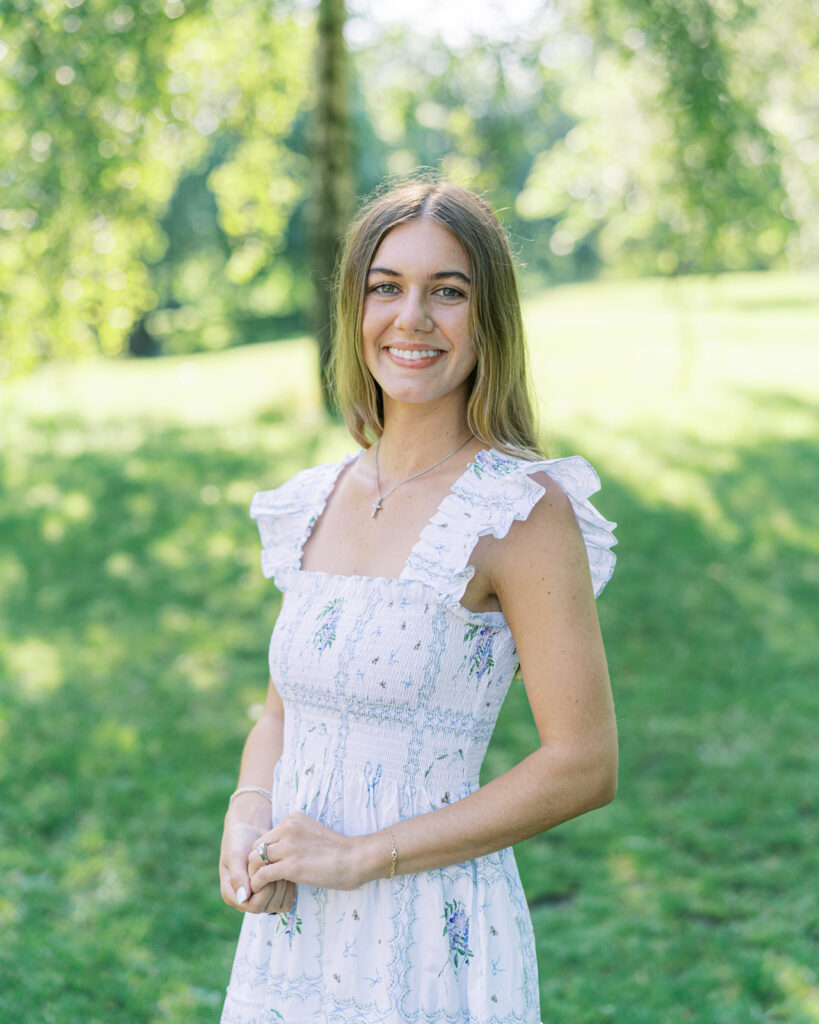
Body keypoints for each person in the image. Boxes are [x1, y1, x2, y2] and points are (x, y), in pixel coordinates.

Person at [218, 177, 618, 1023]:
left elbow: (582, 764)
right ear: (355, 310)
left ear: (490, 320)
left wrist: (365, 855)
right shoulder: (312, 500)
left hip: (429, 937)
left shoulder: (518, 510)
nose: (412, 318)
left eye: (448, 291)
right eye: (386, 287)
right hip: (294, 927)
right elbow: (280, 717)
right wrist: (246, 812)